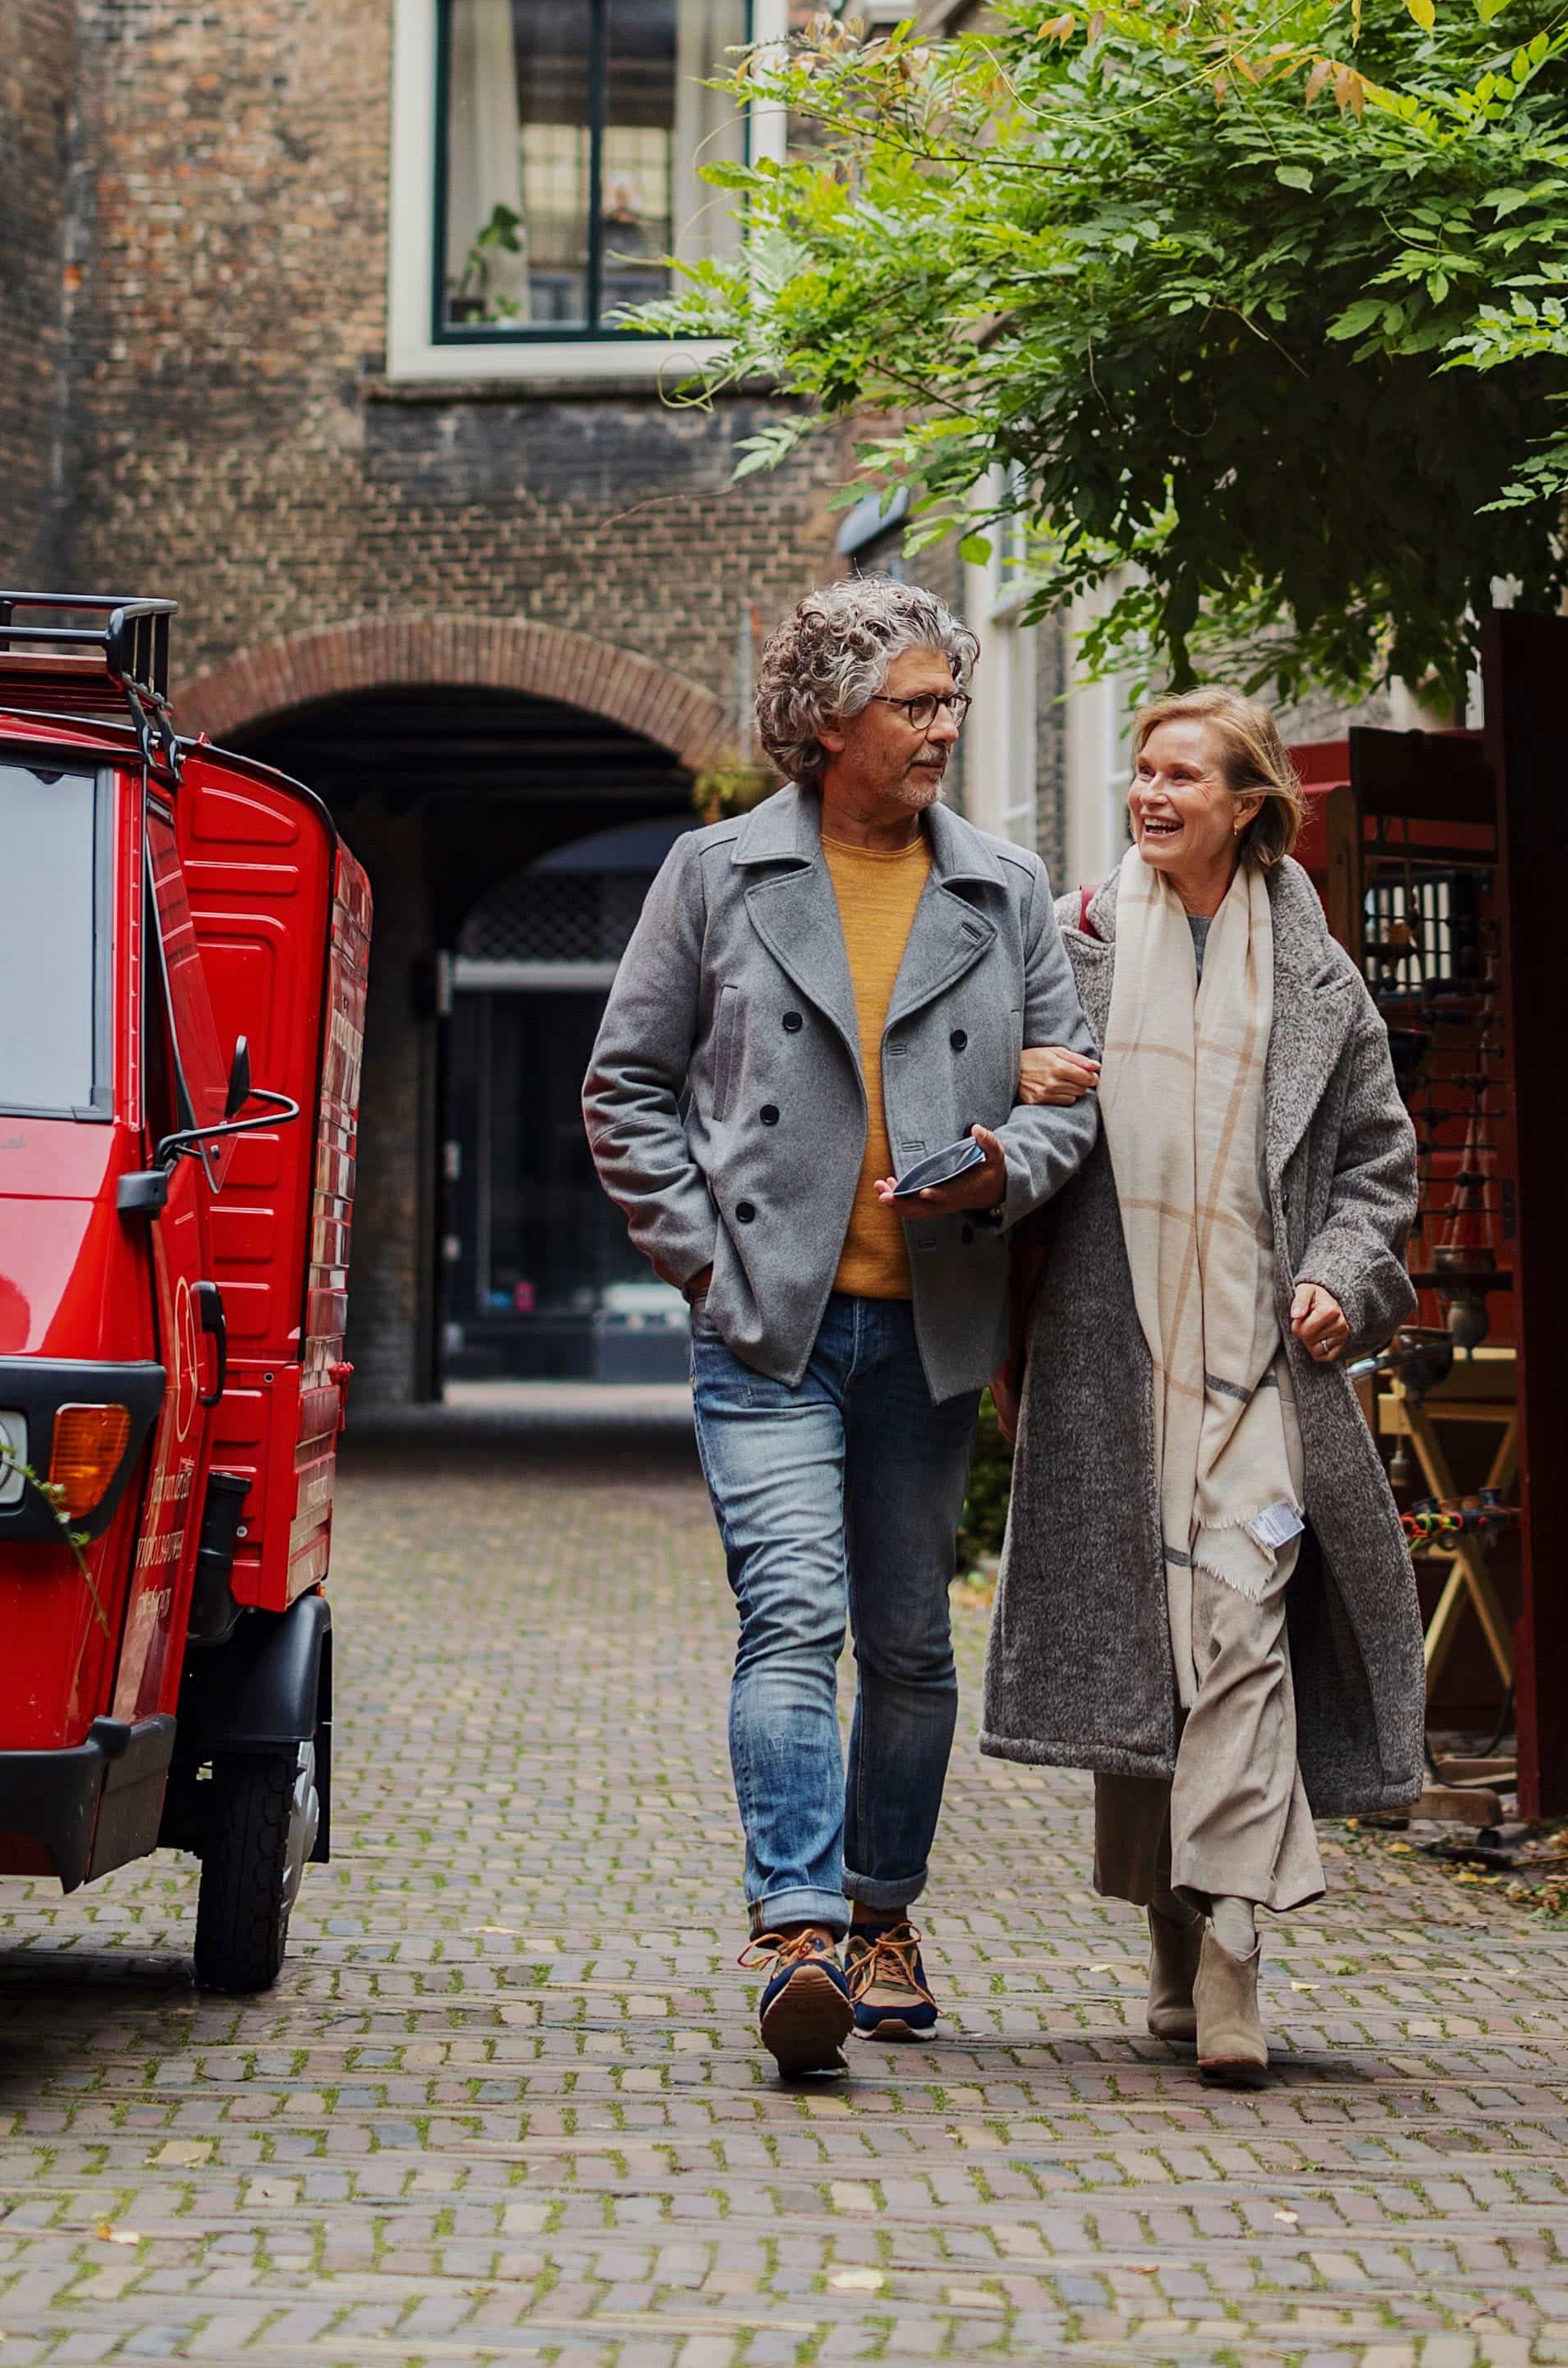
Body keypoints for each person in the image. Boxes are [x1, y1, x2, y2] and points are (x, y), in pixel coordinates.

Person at [583, 576, 1099, 2081]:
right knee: (793, 1617)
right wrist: (705, 1265)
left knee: (910, 1646)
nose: (945, 726)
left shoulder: (1001, 886)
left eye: (951, 700)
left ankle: (885, 1914)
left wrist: (1006, 1161)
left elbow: (1061, 1089)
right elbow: (624, 1088)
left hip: (930, 1324)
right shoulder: (715, 874)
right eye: (917, 703)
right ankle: (795, 1926)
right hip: (768, 1328)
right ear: (825, 722)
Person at [984, 689, 1425, 2089]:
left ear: (1248, 802)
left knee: (1239, 1638)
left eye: (1183, 774)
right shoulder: (1069, 946)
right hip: (1116, 1371)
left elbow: (1377, 1162)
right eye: (1142, 769)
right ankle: (1171, 1935)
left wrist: (1342, 1280)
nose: (1150, 791)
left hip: (1256, 1376)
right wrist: (1024, 1072)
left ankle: (1234, 1945)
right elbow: (971, 1106)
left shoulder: (1316, 976)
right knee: (1144, 1657)